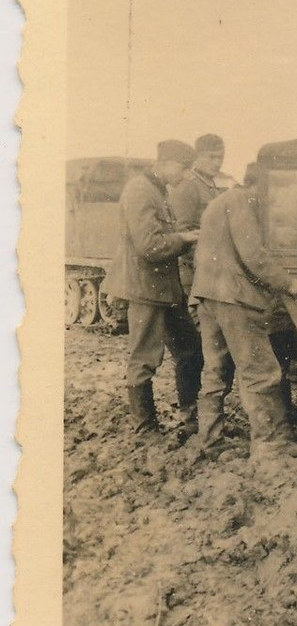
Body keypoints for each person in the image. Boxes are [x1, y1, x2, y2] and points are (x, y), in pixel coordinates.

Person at [191, 173, 297, 460]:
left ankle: (210, 440)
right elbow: (253, 255)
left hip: (209, 296)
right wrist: (288, 283)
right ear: (260, 182)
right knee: (260, 371)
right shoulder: (242, 202)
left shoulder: (220, 202)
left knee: (215, 371)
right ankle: (269, 445)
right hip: (235, 297)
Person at [100, 139, 204, 435]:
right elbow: (150, 246)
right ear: (167, 163)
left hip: (165, 289)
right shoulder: (140, 191)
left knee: (190, 349)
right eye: (184, 169)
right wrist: (184, 239)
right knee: (144, 358)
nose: (185, 176)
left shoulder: (158, 190)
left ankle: (190, 417)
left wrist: (184, 237)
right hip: (145, 289)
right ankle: (144, 429)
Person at [168, 133, 226, 294]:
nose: (217, 163)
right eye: (212, 157)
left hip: (212, 267)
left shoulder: (211, 185)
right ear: (198, 156)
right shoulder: (189, 186)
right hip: (194, 270)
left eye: (221, 158)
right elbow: (182, 231)